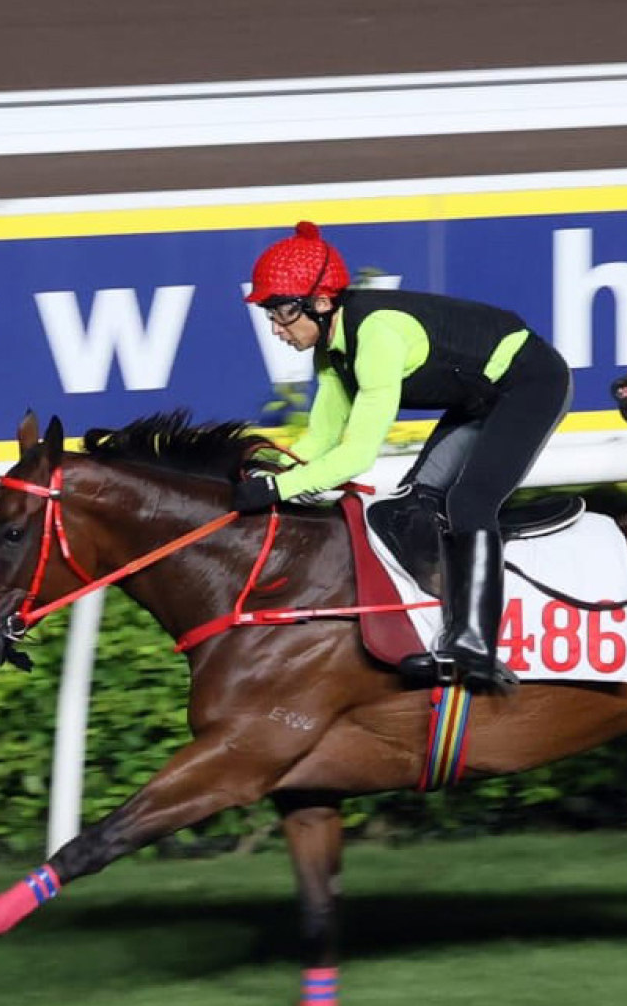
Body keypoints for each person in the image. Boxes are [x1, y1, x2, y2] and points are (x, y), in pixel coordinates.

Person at [239, 221, 574, 691]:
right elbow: (320, 440)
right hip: (479, 397)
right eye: (269, 314)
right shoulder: (331, 353)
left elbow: (355, 456)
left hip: (529, 384)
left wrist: (277, 489)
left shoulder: (376, 338)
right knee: (415, 503)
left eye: (281, 312)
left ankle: (476, 646)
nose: (275, 327)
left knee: (469, 502)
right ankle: (435, 626)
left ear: (319, 303)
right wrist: (264, 472)